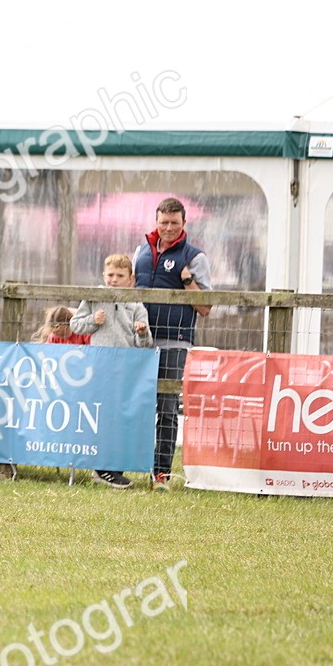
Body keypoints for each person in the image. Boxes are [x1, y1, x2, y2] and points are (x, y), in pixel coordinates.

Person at [133, 197, 211, 491]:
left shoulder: (195, 257)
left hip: (173, 341)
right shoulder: (141, 250)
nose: (168, 228)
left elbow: (205, 308)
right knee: (133, 405)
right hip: (138, 340)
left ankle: (161, 473)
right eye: (163, 222)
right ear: (156, 221)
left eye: (174, 223)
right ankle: (123, 466)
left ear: (183, 224)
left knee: (166, 407)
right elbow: (128, 288)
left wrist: (188, 281)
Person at [70, 253, 154, 489]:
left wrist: (141, 332)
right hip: (100, 366)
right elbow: (75, 324)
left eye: (120, 276)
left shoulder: (137, 305)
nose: (114, 280)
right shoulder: (94, 298)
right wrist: (93, 322)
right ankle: (102, 467)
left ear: (131, 279)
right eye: (110, 275)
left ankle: (114, 468)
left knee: (121, 418)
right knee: (101, 417)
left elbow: (146, 345)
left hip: (126, 369)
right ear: (103, 276)